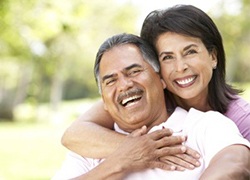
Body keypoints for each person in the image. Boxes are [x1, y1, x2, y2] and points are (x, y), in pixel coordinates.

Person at [61, 5, 250, 164]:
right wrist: (147, 150)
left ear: (213, 57)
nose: (181, 67)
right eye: (167, 57)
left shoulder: (241, 119)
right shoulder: (147, 97)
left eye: (190, 52)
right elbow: (74, 134)